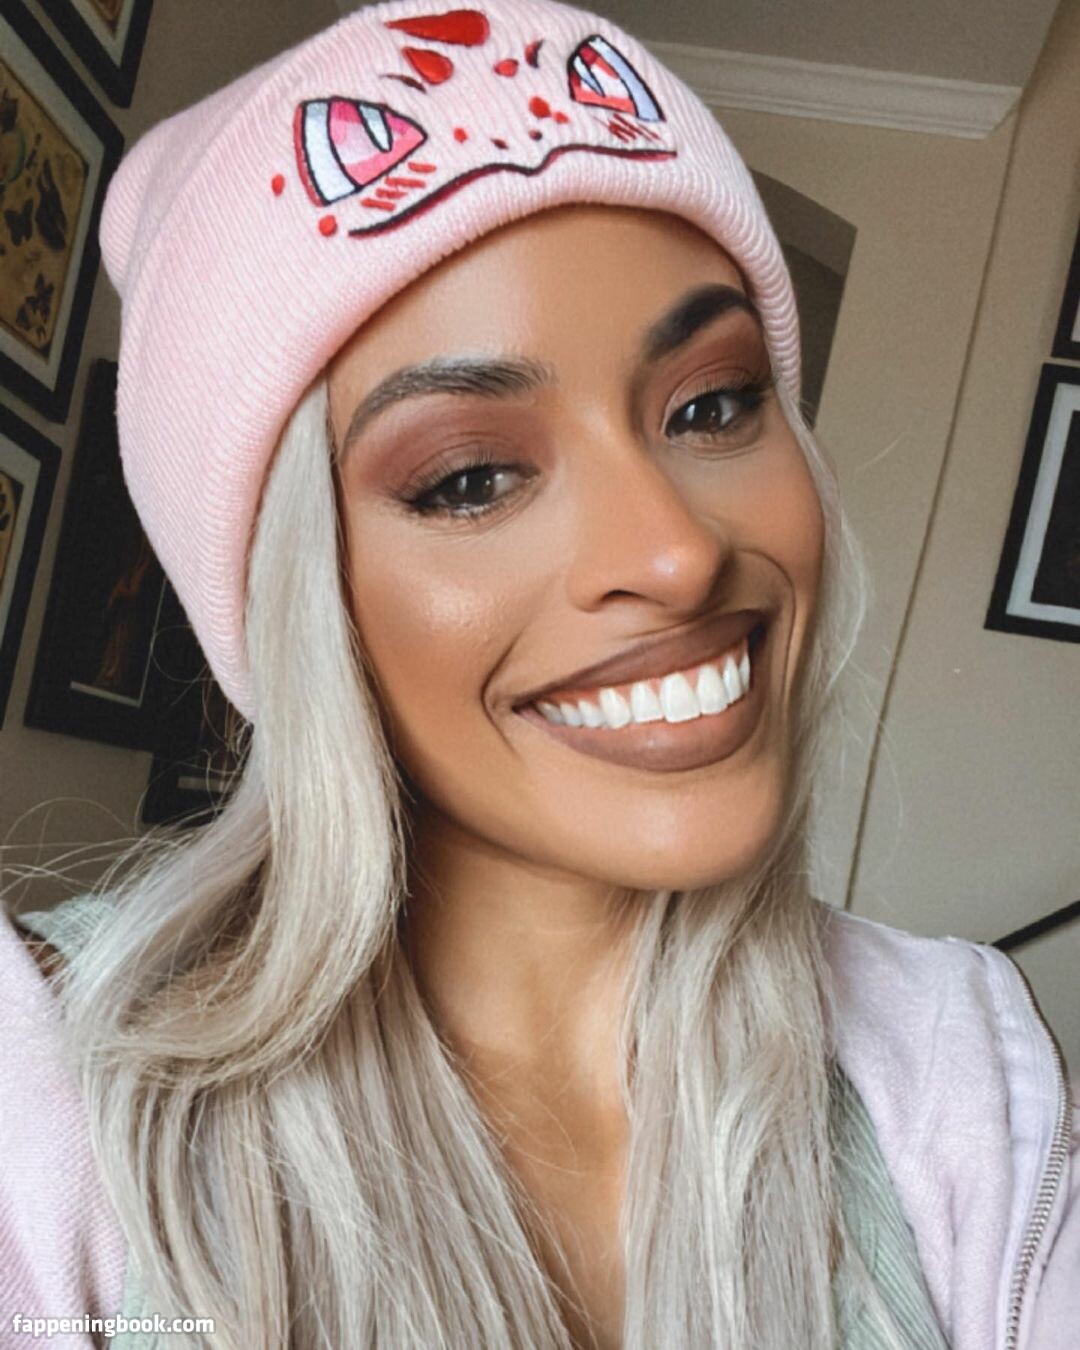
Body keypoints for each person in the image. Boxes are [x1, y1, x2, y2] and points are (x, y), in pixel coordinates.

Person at [1, 3, 1076, 1348]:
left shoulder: (953, 1058)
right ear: (292, 603)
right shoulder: (37, 1096)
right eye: (470, 478)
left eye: (712, 405)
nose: (677, 552)